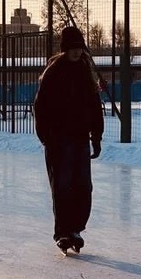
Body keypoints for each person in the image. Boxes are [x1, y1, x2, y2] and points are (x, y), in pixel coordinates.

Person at [32, 24, 104, 254]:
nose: (76, 51)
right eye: (72, 48)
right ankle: (63, 231)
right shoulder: (54, 72)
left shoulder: (86, 70)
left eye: (79, 47)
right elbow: (40, 106)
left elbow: (95, 106)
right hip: (59, 139)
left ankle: (76, 228)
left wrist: (97, 136)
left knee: (83, 186)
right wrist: (46, 137)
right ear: (65, 49)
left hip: (80, 137)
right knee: (62, 185)